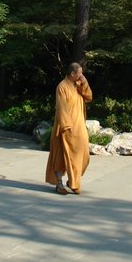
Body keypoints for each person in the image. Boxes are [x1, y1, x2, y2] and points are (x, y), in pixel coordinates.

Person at [45, 62, 93, 195]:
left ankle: (73, 181)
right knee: (61, 156)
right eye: (79, 73)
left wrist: (85, 83)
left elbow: (89, 97)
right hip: (66, 127)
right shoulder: (62, 87)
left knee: (84, 156)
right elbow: (61, 108)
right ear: (72, 74)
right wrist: (66, 127)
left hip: (80, 126)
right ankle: (60, 183)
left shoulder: (78, 84)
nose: (81, 75)